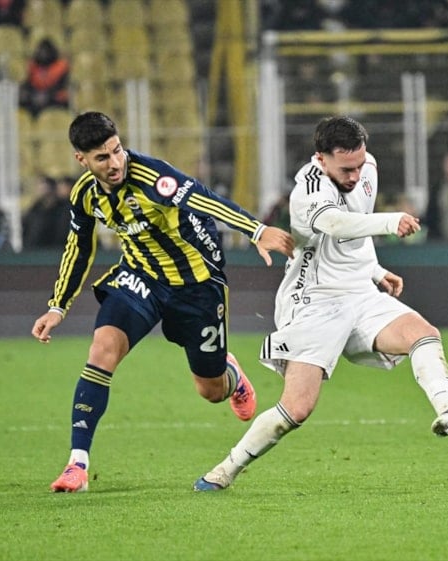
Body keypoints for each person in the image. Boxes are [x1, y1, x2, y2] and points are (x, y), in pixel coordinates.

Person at [193, 116, 448, 492]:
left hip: (360, 293)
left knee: (423, 334)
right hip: (314, 302)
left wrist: (374, 270)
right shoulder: (307, 189)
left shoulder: (367, 167)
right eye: (346, 169)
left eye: (359, 165)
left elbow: (355, 229)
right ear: (321, 158)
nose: (355, 175)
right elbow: (336, 224)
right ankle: (225, 470)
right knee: (297, 409)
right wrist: (390, 222)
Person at [31, 112, 294, 493]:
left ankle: (232, 375)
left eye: (117, 150)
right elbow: (79, 247)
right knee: (102, 350)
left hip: (196, 285)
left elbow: (205, 200)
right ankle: (77, 464)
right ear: (81, 160)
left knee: (211, 390)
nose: (115, 162)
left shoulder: (154, 177)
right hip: (141, 277)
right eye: (102, 157)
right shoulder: (85, 195)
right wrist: (57, 306)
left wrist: (256, 231)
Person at [19, 38, 70, 117]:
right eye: (41, 51)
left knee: (63, 97)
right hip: (35, 99)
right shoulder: (32, 66)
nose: (43, 54)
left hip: (54, 100)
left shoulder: (61, 66)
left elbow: (62, 87)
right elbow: (29, 84)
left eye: (46, 51)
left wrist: (48, 95)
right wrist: (32, 95)